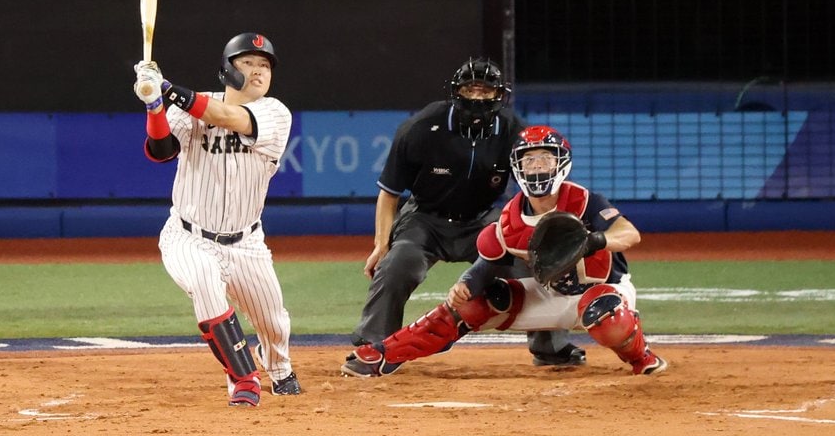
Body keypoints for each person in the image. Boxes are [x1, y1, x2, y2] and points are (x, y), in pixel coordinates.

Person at [343, 125, 668, 377]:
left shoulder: (585, 201)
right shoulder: (511, 217)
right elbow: (486, 265)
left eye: (545, 158)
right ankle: (387, 353)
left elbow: (630, 234)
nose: (537, 167)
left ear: (560, 163)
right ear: (518, 167)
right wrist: (467, 284)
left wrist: (594, 241)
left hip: (602, 291)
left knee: (607, 314)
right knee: (469, 303)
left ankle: (642, 357)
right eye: (529, 160)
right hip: (546, 295)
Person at [342, 58, 581, 378]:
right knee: (400, 262)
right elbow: (389, 193)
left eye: (486, 90)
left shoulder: (512, 130)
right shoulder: (422, 127)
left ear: (499, 94)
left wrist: (533, 232)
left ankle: (550, 346)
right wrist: (380, 246)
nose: (478, 97)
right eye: (471, 89)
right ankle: (375, 346)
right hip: (424, 218)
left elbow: (532, 187)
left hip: (482, 219)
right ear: (456, 92)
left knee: (533, 259)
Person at [133, 33, 300, 407]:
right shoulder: (188, 107)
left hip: (247, 243)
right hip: (188, 236)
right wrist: (154, 105)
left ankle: (280, 369)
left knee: (274, 323)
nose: (258, 70)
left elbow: (227, 116)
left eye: (265, 65)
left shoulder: (275, 112)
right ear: (227, 69)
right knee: (205, 282)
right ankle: (244, 378)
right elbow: (161, 151)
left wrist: (167, 89)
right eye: (248, 62)